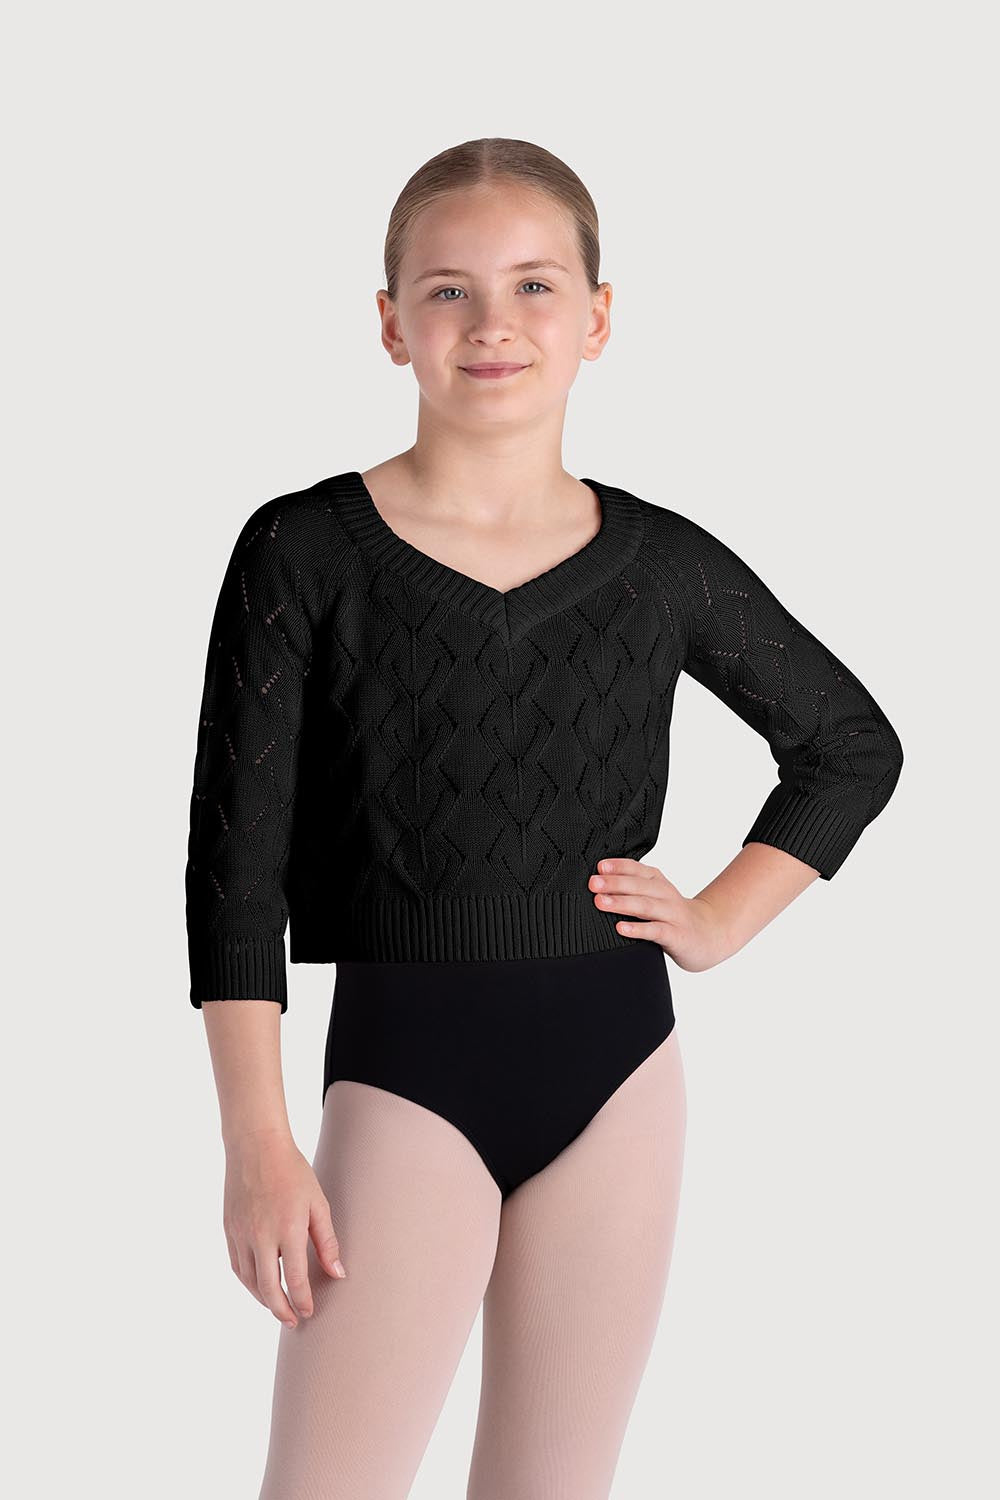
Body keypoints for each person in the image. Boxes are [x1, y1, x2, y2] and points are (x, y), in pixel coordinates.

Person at [184, 137, 904, 1499]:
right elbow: (235, 873)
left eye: (532, 285)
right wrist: (257, 1144)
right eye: (448, 291)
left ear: (597, 318)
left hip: (619, 1077)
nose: (492, 323)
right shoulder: (306, 551)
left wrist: (720, 920)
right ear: (390, 323)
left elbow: (849, 746)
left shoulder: (662, 565)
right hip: (404, 1079)